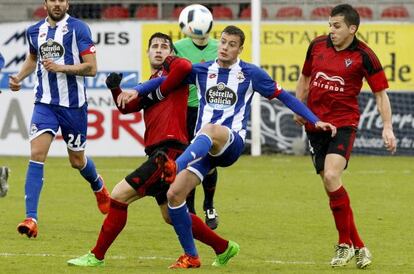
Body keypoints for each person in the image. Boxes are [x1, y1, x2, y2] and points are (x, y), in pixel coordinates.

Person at [125, 25, 337, 268]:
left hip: (230, 142)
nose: (225, 47)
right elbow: (164, 80)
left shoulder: (250, 73)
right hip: (203, 148)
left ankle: (175, 165)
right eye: (223, 42)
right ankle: (193, 256)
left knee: (210, 130)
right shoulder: (202, 71)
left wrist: (314, 120)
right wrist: (136, 89)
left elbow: (285, 97)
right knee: (174, 196)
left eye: (231, 44)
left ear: (240, 49)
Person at [67, 32, 240, 269]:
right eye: (155, 46)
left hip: (169, 152)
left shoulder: (176, 74)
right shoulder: (153, 79)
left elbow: (184, 65)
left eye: (164, 47)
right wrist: (115, 90)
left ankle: (96, 256)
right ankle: (223, 247)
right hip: (160, 152)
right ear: (147, 52)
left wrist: (167, 65)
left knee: (118, 196)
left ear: (171, 53)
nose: (159, 50)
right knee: (171, 215)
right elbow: (129, 108)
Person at [294, 4, 396, 269]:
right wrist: (298, 105)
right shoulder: (316, 45)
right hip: (315, 125)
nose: (331, 30)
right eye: (330, 25)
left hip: (343, 125)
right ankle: (359, 247)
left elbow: (380, 94)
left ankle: (343, 245)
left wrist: (387, 127)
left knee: (331, 175)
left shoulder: (365, 56)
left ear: (352, 28)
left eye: (337, 26)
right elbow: (305, 77)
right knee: (331, 186)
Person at [9, 0, 110, 238]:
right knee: (37, 154)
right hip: (44, 103)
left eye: (62, 0)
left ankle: (98, 185)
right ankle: (31, 218)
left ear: (68, 3)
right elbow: (33, 59)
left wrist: (61, 68)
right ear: (45, 3)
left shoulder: (79, 28)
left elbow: (91, 68)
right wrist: (19, 77)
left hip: (73, 106)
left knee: (77, 160)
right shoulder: (34, 31)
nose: (57, 3)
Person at [174, 22, 220, 230]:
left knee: (210, 161)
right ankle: (190, 210)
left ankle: (209, 205)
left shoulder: (219, 47)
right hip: (184, 111)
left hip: (208, 113)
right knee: (188, 161)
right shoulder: (178, 46)